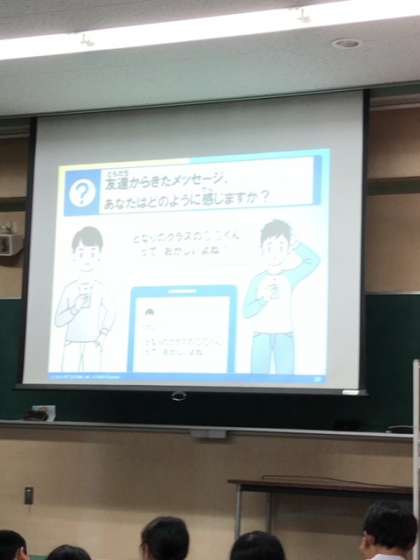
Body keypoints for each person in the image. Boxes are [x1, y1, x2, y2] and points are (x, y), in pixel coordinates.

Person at [243, 219, 319, 374]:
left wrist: (297, 244)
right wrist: (263, 299)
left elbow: (313, 261)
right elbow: (246, 311)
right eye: (269, 247)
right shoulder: (257, 280)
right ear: (261, 249)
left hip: (285, 334)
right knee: (257, 378)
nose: (275, 253)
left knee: (286, 378)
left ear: (288, 250)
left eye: (281, 247)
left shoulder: (290, 277)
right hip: (261, 335)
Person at [55, 226, 115, 372]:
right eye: (81, 253)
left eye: (92, 253)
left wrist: (102, 335)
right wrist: (75, 308)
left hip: (92, 343)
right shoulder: (69, 289)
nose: (87, 259)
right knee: (66, 380)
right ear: (74, 255)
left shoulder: (101, 288)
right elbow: (58, 321)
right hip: (71, 343)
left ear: (99, 255)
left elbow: (112, 311)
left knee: (96, 381)